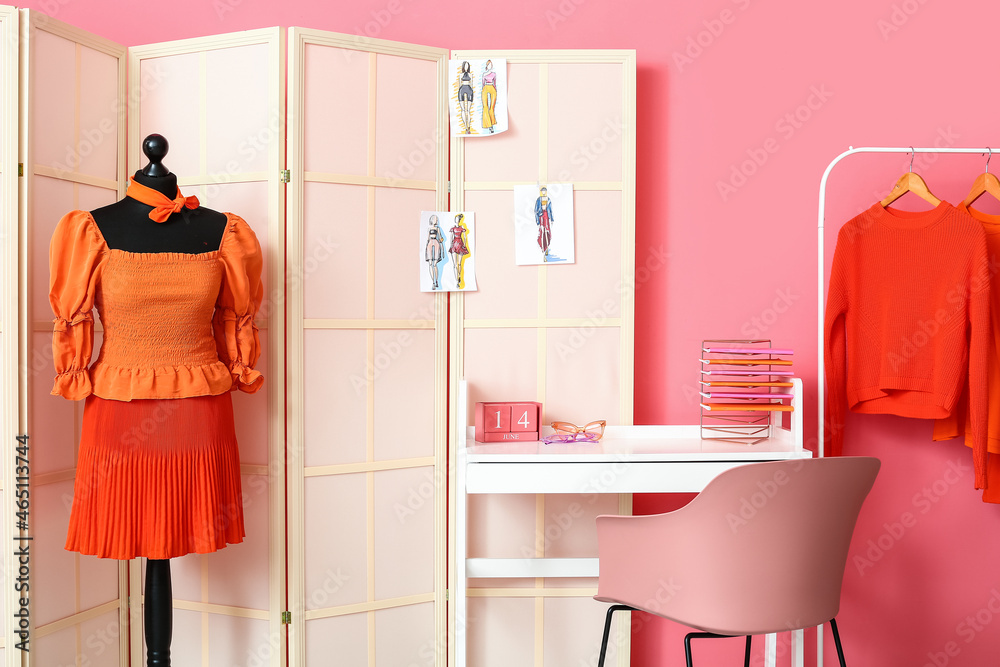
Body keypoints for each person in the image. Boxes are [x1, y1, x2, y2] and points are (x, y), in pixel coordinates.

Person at [449, 213, 470, 288]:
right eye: (455, 219)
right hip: (454, 244)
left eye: (457, 219)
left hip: (460, 244)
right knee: (455, 264)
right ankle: (457, 281)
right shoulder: (453, 228)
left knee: (459, 263)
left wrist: (464, 245)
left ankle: (459, 275)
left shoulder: (462, 227)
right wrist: (451, 245)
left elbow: (464, 237)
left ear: (459, 220)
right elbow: (451, 237)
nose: (456, 220)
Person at [534, 186, 554, 261]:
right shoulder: (538, 200)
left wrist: (552, 219)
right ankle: (543, 250)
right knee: (542, 233)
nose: (544, 193)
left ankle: (547, 247)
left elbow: (550, 210)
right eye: (542, 191)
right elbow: (536, 211)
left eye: (545, 191)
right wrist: (537, 222)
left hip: (547, 218)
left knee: (547, 233)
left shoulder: (548, 199)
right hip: (541, 218)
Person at [425, 215, 444, 290]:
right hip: (430, 243)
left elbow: (440, 238)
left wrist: (441, 244)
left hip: (436, 243)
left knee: (435, 264)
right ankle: (433, 282)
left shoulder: (437, 228)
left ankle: (436, 281)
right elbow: (427, 238)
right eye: (435, 219)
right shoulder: (429, 229)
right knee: (430, 263)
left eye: (437, 219)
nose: (436, 220)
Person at [458, 61, 474, 134]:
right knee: (463, 109)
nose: (466, 67)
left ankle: (469, 126)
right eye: (465, 66)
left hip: (469, 89)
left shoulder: (470, 75)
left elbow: (471, 84)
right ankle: (465, 126)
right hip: (462, 89)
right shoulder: (461, 75)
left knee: (468, 110)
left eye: (468, 66)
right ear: (463, 66)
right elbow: (459, 84)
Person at [482, 60, 498, 134]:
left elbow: (495, 83)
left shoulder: (494, 74)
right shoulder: (484, 74)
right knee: (485, 107)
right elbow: (483, 84)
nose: (490, 66)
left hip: (492, 88)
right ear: (487, 65)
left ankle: (491, 124)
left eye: (491, 65)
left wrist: (495, 90)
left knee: (492, 107)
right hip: (485, 88)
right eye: (489, 65)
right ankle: (489, 125)